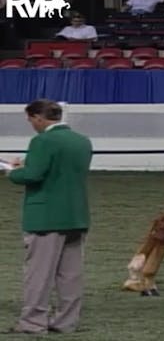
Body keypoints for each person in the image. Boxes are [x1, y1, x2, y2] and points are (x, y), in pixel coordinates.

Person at [4, 99, 93, 335]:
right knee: (70, 275)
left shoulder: (42, 141)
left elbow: (33, 175)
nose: (31, 125)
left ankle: (33, 322)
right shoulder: (82, 141)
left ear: (38, 118)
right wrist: (27, 165)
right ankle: (66, 322)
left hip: (46, 216)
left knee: (39, 274)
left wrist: (13, 171)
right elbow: (61, 170)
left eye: (30, 120)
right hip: (76, 214)